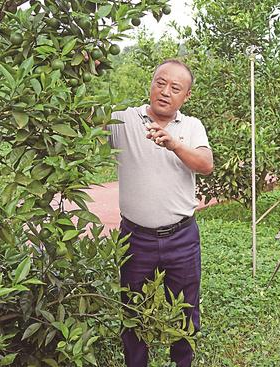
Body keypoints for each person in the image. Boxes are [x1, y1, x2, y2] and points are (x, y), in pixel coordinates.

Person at [107, 59, 214, 367]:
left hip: (181, 237)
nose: (165, 92)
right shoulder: (124, 120)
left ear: (186, 96)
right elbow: (83, 118)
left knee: (186, 313)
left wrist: (174, 144)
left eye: (175, 88)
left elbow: (206, 165)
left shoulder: (191, 127)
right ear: (151, 84)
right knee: (132, 312)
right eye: (160, 83)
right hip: (135, 238)